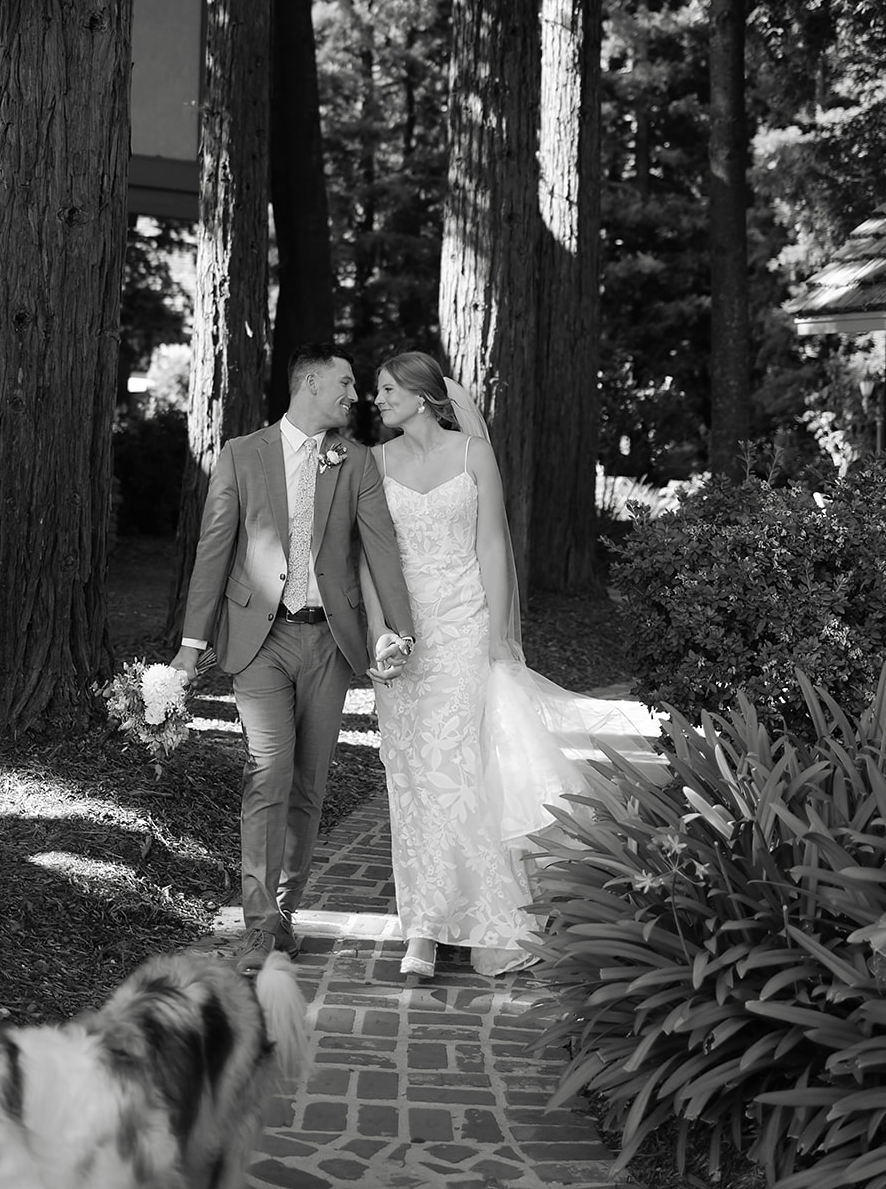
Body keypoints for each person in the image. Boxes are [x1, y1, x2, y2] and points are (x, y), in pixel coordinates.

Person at [363, 350, 656, 981]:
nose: (376, 398)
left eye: (387, 389)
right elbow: (370, 555)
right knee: (411, 776)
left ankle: (467, 921)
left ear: (420, 395)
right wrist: (381, 630)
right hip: (406, 635)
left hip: (465, 625)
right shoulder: (376, 461)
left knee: (461, 770)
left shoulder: (473, 456)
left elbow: (493, 545)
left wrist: (498, 634)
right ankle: (423, 921)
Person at [172, 342, 415, 976]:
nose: (355, 395)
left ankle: (284, 916)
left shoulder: (354, 461)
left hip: (330, 643)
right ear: (309, 383)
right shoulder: (241, 455)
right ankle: (257, 926)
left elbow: (381, 548)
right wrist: (190, 647)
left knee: (308, 784)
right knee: (268, 771)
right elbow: (213, 551)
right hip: (260, 641)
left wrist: (402, 631)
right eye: (346, 382)